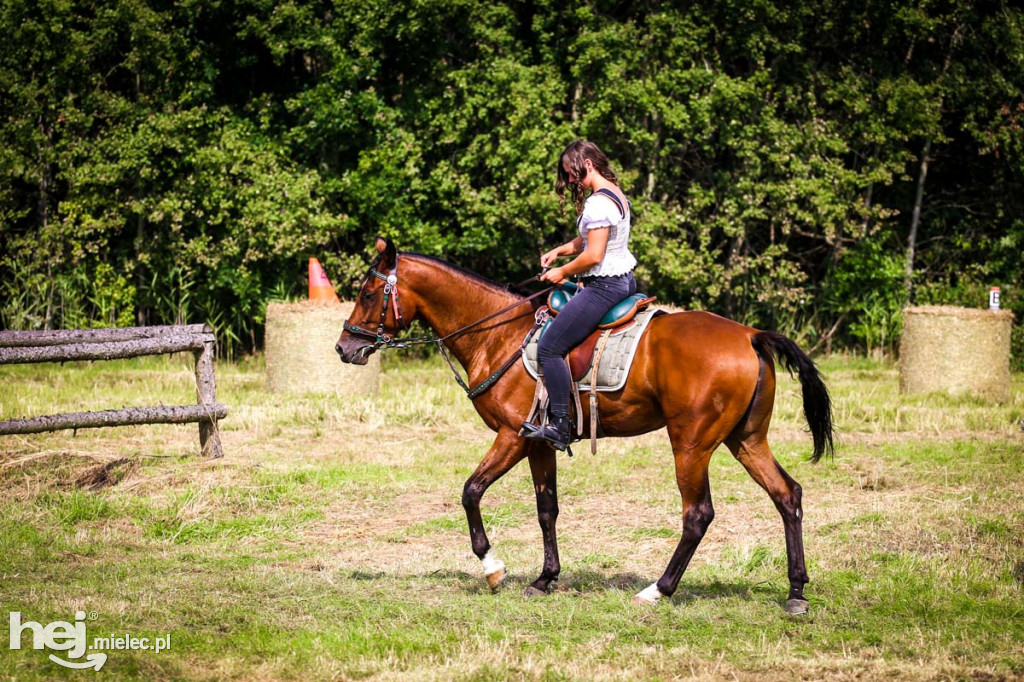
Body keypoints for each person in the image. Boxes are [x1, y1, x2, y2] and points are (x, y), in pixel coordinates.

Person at [522, 140, 637, 450]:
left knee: (549, 347)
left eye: (573, 174)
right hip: (624, 280)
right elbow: (589, 238)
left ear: (587, 164)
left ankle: (560, 426)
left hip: (605, 286)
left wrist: (563, 272)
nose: (572, 180)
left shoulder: (598, 203)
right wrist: (560, 250)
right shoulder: (613, 191)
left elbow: (594, 255)